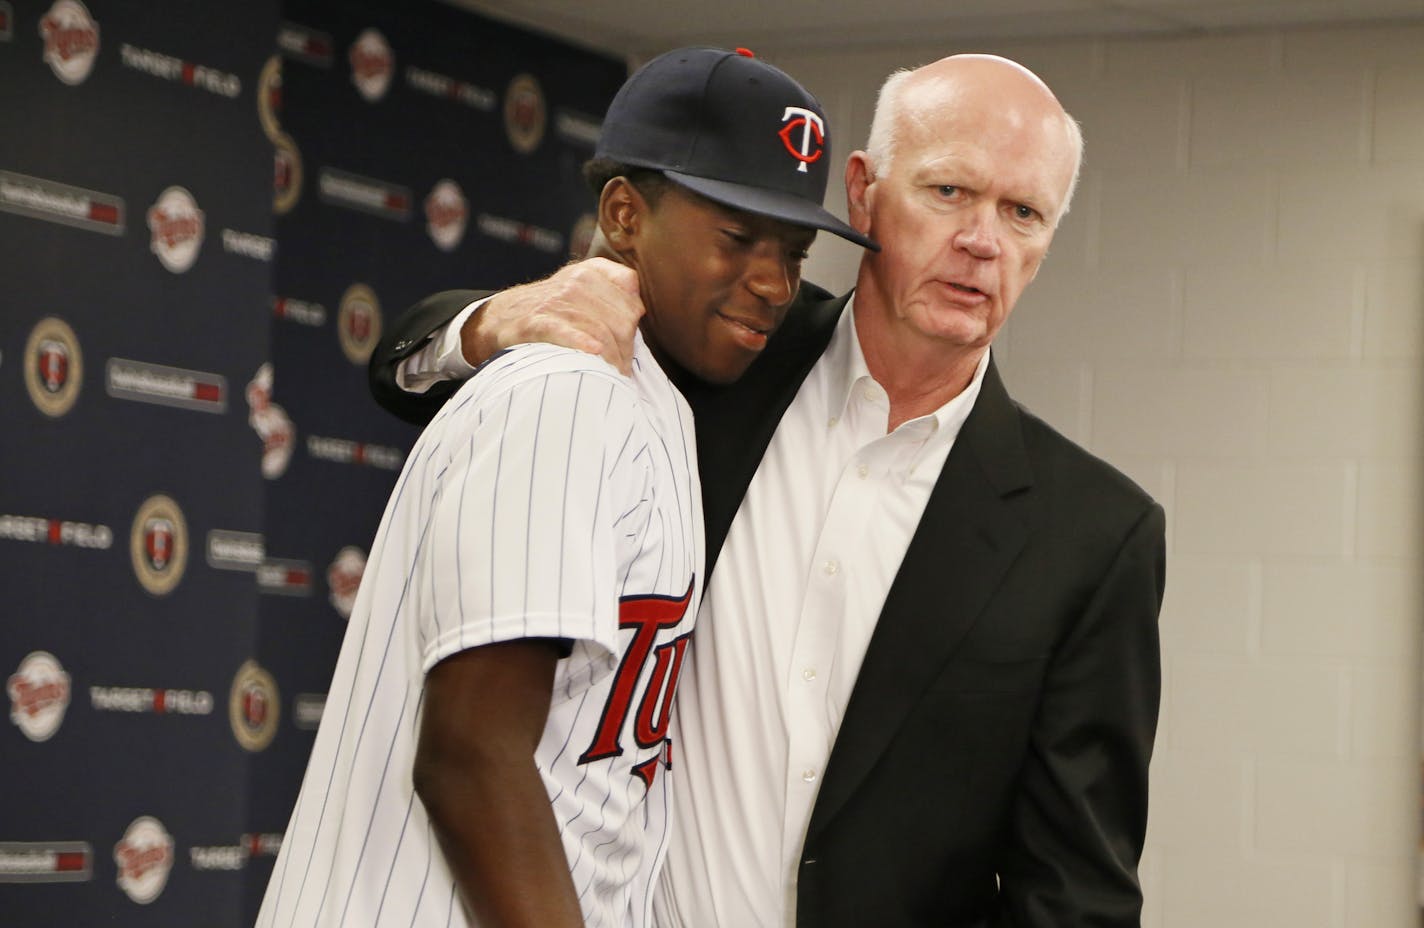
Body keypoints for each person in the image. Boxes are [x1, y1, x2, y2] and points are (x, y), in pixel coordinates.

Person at [373, 54, 1166, 927]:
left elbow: (1077, 890)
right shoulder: (716, 348)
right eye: (949, 193)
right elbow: (413, 363)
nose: (982, 241)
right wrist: (492, 324)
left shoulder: (1094, 536)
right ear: (864, 194)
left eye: (1023, 213)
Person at [258, 46, 872, 928]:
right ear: (624, 213)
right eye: (738, 238)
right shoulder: (569, 390)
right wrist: (484, 323)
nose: (776, 284)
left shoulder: (669, 390)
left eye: (796, 250)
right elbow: (471, 755)